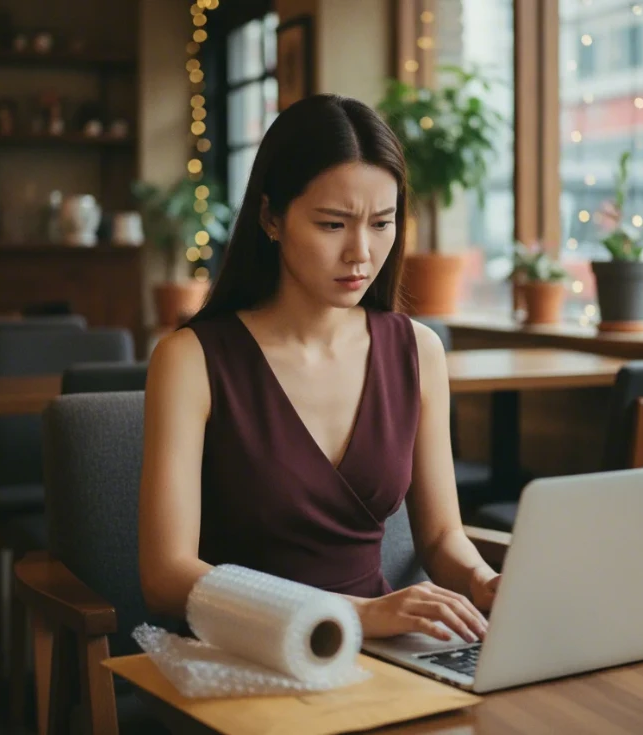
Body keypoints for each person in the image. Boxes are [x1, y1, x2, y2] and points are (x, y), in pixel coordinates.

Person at [139, 93, 500, 646]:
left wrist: (483, 581)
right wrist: (355, 612)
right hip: (243, 651)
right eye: (333, 225)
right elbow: (165, 577)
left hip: (380, 647)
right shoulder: (191, 359)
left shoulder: (418, 351)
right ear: (270, 218)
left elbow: (442, 535)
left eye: (383, 223)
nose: (361, 252)